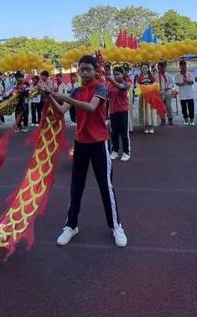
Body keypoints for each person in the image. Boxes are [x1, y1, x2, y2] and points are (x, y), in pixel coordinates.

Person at [48, 55, 126, 248]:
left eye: (88, 69)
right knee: (76, 186)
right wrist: (48, 95)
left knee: (105, 186)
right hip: (81, 142)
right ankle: (71, 225)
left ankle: (116, 226)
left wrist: (65, 97)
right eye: (81, 69)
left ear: (94, 70)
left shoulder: (100, 87)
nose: (84, 73)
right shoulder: (75, 90)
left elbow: (91, 107)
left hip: (99, 143)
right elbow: (61, 111)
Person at [106, 65, 131, 161]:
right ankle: (115, 151)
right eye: (114, 74)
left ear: (123, 74)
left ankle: (126, 152)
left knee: (124, 133)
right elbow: (106, 94)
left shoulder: (126, 83)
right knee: (114, 133)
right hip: (113, 112)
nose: (116, 76)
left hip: (123, 111)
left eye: (118, 74)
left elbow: (121, 87)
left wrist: (111, 80)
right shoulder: (109, 85)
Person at [136, 63, 157, 134]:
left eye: (145, 68)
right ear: (141, 69)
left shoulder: (151, 76)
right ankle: (145, 126)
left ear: (148, 69)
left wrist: (150, 88)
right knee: (143, 111)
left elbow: (155, 84)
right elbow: (137, 86)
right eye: (143, 68)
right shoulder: (139, 77)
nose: (144, 69)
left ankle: (151, 126)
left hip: (150, 96)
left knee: (150, 111)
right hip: (143, 96)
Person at [175, 60, 195, 125]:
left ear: (186, 66)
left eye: (184, 66)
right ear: (180, 67)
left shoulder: (189, 74)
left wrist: (186, 81)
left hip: (189, 94)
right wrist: (181, 84)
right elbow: (176, 83)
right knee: (184, 108)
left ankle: (191, 120)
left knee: (191, 108)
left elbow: (192, 82)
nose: (183, 67)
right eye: (182, 66)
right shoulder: (177, 75)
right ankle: (185, 119)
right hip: (182, 94)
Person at [156, 62, 176, 126]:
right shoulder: (156, 76)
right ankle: (162, 119)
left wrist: (168, 87)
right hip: (160, 93)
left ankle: (170, 119)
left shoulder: (168, 75)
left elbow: (172, 83)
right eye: (159, 68)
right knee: (160, 107)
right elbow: (154, 84)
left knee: (168, 106)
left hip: (167, 93)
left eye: (162, 67)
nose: (161, 69)